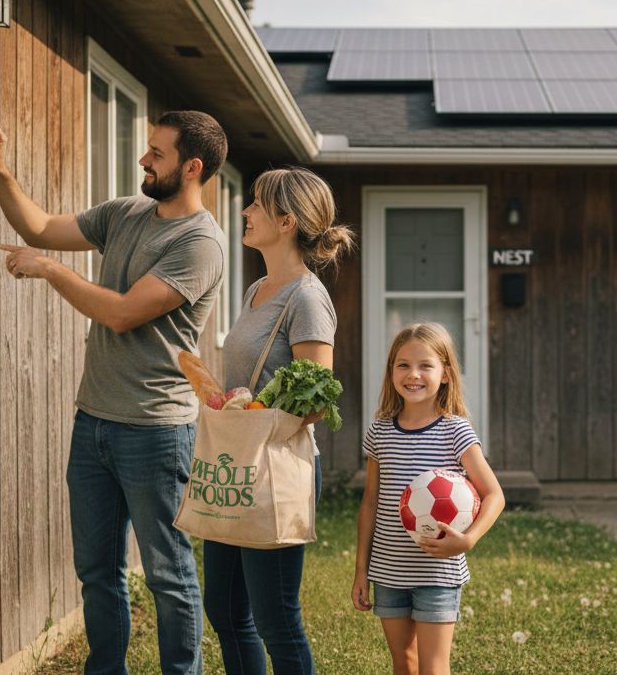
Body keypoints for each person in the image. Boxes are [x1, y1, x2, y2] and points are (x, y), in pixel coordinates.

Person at [0, 111, 227, 674]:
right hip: (93, 423)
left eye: (157, 154)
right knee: (96, 571)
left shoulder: (200, 245)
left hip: (156, 432)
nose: (144, 160)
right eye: (147, 149)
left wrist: (49, 271)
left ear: (191, 168)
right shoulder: (127, 213)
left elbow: (121, 314)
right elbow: (40, 228)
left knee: (168, 575)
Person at [202, 167, 355, 675]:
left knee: (275, 618)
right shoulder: (257, 290)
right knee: (224, 610)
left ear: (287, 221)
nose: (244, 212)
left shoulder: (306, 298)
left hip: (274, 470)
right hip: (237, 465)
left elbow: (317, 398)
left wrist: (254, 407)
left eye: (256, 205)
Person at [351, 322, 506, 675]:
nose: (413, 375)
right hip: (389, 572)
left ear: (446, 374)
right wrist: (362, 570)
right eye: (403, 364)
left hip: (438, 573)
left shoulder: (456, 430)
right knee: (403, 664)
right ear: (391, 371)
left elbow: (494, 494)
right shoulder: (379, 432)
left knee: (433, 668)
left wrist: (467, 539)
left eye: (426, 365)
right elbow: (370, 503)